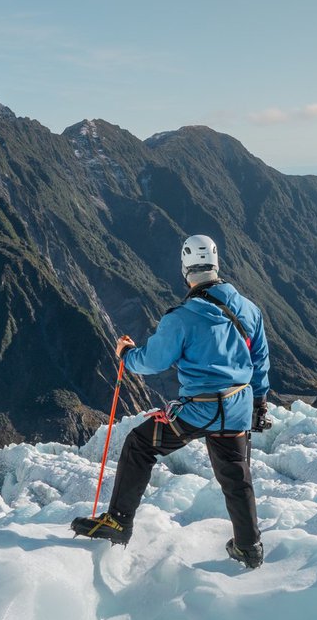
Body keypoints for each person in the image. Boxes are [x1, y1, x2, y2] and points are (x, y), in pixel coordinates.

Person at [72, 234, 271, 569]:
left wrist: (127, 354)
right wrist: (259, 404)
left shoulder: (182, 317)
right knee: (237, 477)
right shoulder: (249, 309)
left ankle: (119, 522)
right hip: (237, 406)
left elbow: (153, 360)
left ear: (186, 271)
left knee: (139, 445)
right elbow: (260, 360)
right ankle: (249, 548)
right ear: (216, 265)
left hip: (199, 409)